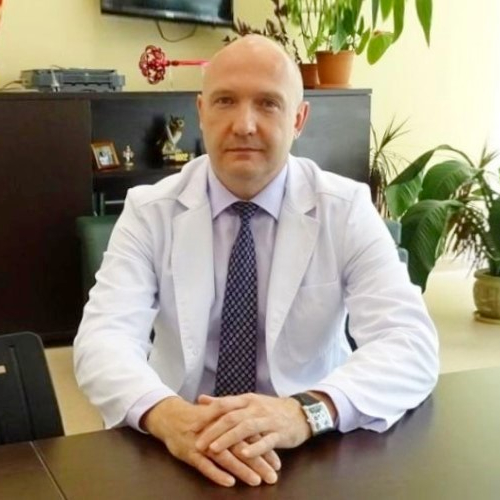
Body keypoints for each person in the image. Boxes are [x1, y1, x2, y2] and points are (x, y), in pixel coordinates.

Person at [74, 35, 439, 488]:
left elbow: (410, 343)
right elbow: (102, 339)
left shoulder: (345, 209)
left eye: (268, 103)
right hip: (182, 438)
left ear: (298, 118)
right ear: (201, 111)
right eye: (225, 101)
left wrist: (303, 411)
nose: (244, 125)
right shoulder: (149, 210)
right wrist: (167, 415)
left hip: (310, 444)